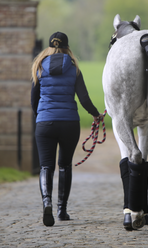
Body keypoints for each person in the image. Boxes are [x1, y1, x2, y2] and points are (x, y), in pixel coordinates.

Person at [31, 32, 103, 227]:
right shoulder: (74, 69)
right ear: (67, 47)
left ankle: (47, 203)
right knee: (64, 165)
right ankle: (62, 210)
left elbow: (33, 99)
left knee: (46, 166)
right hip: (69, 123)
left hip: (45, 123)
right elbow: (84, 99)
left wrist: (42, 117)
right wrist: (96, 115)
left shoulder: (39, 67)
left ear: (50, 47)